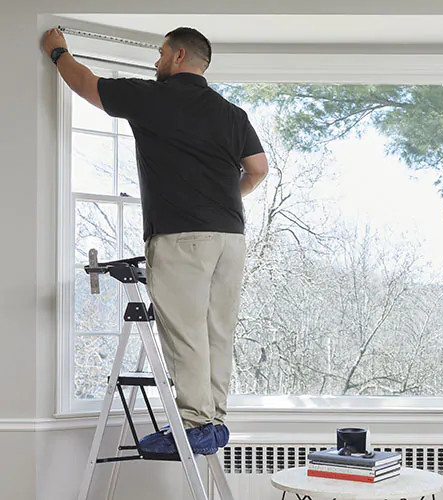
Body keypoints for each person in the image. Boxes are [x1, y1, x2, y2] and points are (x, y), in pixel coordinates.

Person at [42, 27, 269, 455]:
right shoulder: (232, 114)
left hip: (182, 237)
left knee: (184, 333)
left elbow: (86, 85)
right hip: (230, 239)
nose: (156, 61)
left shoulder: (153, 97)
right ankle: (214, 419)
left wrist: (57, 52)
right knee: (217, 331)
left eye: (161, 54)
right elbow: (257, 169)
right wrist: (220, 200)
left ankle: (194, 422)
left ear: (179, 56)